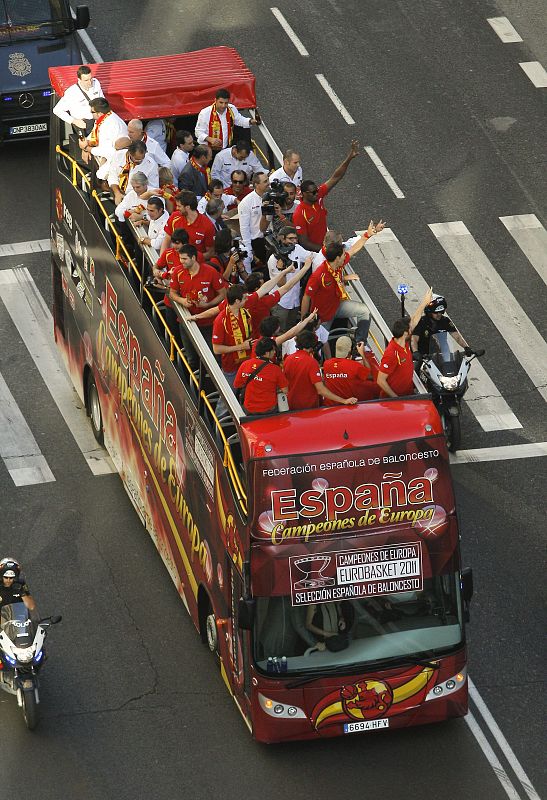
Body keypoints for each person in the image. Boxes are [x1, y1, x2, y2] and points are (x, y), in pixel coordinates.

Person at [300, 221, 385, 339]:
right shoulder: (319, 273)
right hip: (322, 315)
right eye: (344, 254)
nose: (347, 255)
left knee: (364, 311)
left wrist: (367, 235)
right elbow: (306, 296)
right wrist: (304, 321)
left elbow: (354, 249)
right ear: (338, 258)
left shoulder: (337, 261)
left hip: (336, 306)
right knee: (320, 342)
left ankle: (360, 342)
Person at [292, 140, 360, 252]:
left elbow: (336, 177)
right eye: (313, 192)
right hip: (315, 254)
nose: (317, 193)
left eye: (317, 190)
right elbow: (304, 242)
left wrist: (349, 158)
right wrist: (325, 252)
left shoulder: (318, 195)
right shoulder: (299, 213)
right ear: (304, 194)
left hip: (325, 249)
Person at [169, 244, 226, 366]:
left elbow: (222, 294)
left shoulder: (210, 272)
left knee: (214, 358)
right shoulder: (178, 272)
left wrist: (208, 304)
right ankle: (194, 383)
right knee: (192, 359)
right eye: (180, 258)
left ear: (193, 258)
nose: (181, 261)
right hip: (187, 321)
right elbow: (172, 293)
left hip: (208, 323)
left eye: (184, 259)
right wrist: (183, 301)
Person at [377, 288, 434, 398]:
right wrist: (396, 398)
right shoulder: (391, 354)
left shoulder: (404, 343)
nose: (412, 329)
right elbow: (380, 380)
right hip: (394, 401)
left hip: (407, 395)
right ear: (405, 333)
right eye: (410, 329)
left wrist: (424, 303)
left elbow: (413, 321)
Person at [284, 330, 358, 410]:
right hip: (309, 407)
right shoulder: (311, 362)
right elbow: (321, 390)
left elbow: (285, 386)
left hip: (292, 406)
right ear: (312, 345)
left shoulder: (288, 359)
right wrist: (344, 401)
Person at [267, 226, 311, 331]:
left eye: (296, 238)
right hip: (281, 302)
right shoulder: (274, 259)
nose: (294, 241)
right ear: (282, 238)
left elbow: (311, 256)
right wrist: (282, 269)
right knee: (280, 331)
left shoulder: (297, 249)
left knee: (291, 329)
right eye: (291, 239)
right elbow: (281, 284)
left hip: (295, 300)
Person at [234, 338, 288, 416]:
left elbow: (237, 385)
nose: (274, 352)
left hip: (249, 409)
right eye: (273, 350)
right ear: (267, 353)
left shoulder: (245, 364)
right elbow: (285, 390)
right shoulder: (275, 369)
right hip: (269, 409)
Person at [195, 87, 258, 153]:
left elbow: (239, 120)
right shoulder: (205, 113)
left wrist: (251, 121)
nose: (223, 106)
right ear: (215, 100)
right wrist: (210, 139)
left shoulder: (231, 109)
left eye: (226, 103)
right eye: (221, 102)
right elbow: (198, 132)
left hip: (226, 149)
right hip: (209, 150)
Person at [79, 98, 128, 177]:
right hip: (108, 156)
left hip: (117, 159)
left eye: (92, 112)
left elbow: (106, 151)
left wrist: (86, 148)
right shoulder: (102, 119)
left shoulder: (110, 124)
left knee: (101, 175)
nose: (90, 113)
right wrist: (86, 144)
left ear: (99, 113)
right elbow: (93, 134)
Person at [322, 336, 378, 405]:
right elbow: (370, 375)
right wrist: (362, 354)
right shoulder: (354, 366)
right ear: (350, 351)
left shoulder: (326, 364)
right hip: (349, 405)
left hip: (329, 407)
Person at [161, 190, 215, 260]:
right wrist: (161, 260)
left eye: (179, 206)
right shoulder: (174, 217)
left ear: (188, 207)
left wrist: (192, 260)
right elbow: (167, 240)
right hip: (174, 263)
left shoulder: (207, 225)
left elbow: (210, 253)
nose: (177, 208)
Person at [52, 65, 103, 134]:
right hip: (84, 125)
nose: (90, 82)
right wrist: (74, 121)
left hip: (98, 121)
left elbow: (102, 100)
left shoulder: (96, 83)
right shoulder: (72, 92)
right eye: (86, 80)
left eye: (90, 79)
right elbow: (57, 110)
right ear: (79, 80)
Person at [108, 141, 159, 206]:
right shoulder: (118, 155)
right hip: (117, 190)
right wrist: (117, 193)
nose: (140, 161)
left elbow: (153, 187)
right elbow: (112, 176)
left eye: (142, 158)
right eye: (137, 159)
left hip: (138, 196)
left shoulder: (152, 164)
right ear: (129, 153)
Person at [237, 172, 270, 272]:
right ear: (256, 184)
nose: (268, 183)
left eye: (268, 180)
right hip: (257, 242)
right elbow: (244, 228)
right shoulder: (246, 203)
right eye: (265, 181)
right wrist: (249, 249)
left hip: (272, 238)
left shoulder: (273, 196)